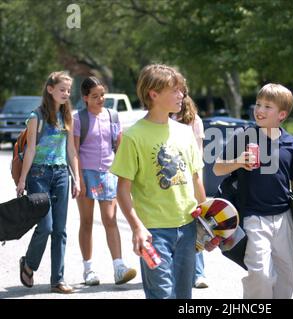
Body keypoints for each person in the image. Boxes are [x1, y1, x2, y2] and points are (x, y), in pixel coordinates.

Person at [110, 64, 207, 299]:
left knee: (183, 296)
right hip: (153, 231)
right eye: (174, 90)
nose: (181, 95)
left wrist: (208, 222)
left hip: (187, 228)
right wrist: (137, 227)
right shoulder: (133, 136)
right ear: (154, 94)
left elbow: (195, 180)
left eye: (181, 90)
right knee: (162, 295)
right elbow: (123, 191)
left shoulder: (185, 132)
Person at [213, 83, 293, 299]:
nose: (259, 110)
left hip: (285, 219)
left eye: (267, 106)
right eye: (258, 104)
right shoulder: (243, 137)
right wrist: (238, 162)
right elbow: (218, 168)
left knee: (285, 277)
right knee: (261, 275)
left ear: (282, 114)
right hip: (254, 218)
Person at [16, 71, 81, 294]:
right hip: (38, 176)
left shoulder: (68, 116)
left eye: (68, 90)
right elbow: (30, 148)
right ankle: (29, 264)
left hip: (62, 174)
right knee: (46, 226)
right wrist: (23, 179)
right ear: (50, 89)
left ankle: (57, 280)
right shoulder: (36, 117)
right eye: (62, 89)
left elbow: (71, 149)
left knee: (60, 230)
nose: (66, 93)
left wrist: (77, 178)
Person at [73, 76, 137, 286]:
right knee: (87, 221)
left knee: (110, 219)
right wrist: (78, 178)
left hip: (109, 173)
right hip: (85, 174)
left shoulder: (113, 116)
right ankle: (88, 269)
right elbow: (73, 151)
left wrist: (125, 175)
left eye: (102, 95)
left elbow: (119, 147)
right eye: (95, 96)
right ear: (85, 98)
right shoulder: (78, 119)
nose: (100, 99)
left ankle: (119, 266)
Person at [171, 93, 208, 289]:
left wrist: (198, 179)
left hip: (192, 176)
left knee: (197, 225)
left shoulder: (195, 121)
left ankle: (199, 272)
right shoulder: (166, 119)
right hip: (173, 180)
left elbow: (199, 152)